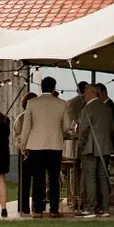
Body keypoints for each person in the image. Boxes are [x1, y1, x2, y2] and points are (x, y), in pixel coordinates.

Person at [18, 76, 72, 218]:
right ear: (54, 87)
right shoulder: (62, 103)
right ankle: (54, 209)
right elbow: (67, 126)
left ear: (41, 87)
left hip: (35, 145)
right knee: (54, 178)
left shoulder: (32, 103)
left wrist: (23, 145)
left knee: (38, 178)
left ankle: (38, 209)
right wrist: (59, 131)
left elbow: (26, 127)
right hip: (55, 144)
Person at [78, 83, 114, 216]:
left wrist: (81, 144)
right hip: (105, 147)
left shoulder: (87, 109)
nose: (83, 95)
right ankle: (105, 208)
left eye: (85, 92)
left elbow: (83, 130)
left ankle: (90, 207)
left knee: (90, 178)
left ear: (91, 92)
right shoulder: (107, 108)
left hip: (90, 148)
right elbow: (112, 128)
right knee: (103, 177)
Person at [14, 92, 37, 215]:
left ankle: (37, 206)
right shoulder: (21, 118)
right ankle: (23, 207)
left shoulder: (40, 118)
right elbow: (17, 136)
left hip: (38, 150)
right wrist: (23, 147)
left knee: (39, 180)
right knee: (24, 181)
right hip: (25, 152)